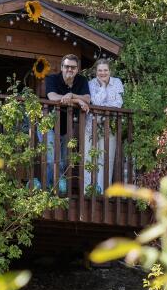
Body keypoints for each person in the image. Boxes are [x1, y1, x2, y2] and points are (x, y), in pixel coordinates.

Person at [41, 54, 90, 194]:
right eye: (67, 66)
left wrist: (72, 96)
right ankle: (51, 190)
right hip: (48, 124)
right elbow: (53, 97)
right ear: (62, 67)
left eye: (73, 67)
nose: (70, 69)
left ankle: (53, 190)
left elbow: (87, 98)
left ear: (77, 69)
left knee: (63, 161)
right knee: (51, 160)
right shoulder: (52, 79)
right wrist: (77, 101)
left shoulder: (81, 81)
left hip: (67, 128)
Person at [84, 59, 124, 193]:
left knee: (106, 159)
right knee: (89, 159)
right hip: (91, 126)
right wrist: (102, 86)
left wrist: (103, 107)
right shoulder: (90, 84)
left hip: (109, 127)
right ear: (96, 71)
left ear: (110, 71)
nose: (103, 73)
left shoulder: (117, 82)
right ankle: (88, 191)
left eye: (105, 70)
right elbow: (95, 102)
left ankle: (103, 192)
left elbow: (118, 104)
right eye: (100, 70)